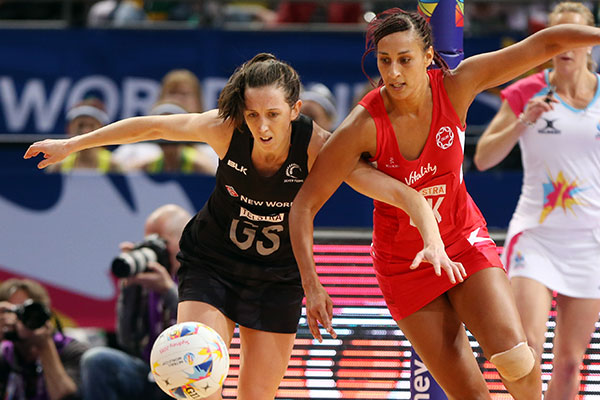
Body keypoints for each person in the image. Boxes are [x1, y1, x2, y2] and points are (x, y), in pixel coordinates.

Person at [24, 53, 462, 399]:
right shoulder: (225, 129)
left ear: (293, 110)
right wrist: (72, 144)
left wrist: (432, 238)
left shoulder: (318, 148)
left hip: (276, 279)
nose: (263, 127)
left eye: (273, 114)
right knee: (195, 379)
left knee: (256, 395)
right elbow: (153, 125)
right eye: (254, 116)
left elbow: (401, 193)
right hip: (212, 264)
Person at [289, 7, 600, 399]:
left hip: (463, 240)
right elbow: (303, 207)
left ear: (428, 55)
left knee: (518, 359)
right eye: (385, 61)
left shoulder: (457, 85)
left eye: (405, 60)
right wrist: (312, 285)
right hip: (405, 265)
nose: (395, 73)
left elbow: (546, 42)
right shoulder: (362, 126)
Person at [473, 3, 600, 399]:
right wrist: (522, 120)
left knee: (568, 365)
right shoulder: (528, 89)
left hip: (589, 242)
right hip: (536, 237)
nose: (565, 44)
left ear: (590, 44)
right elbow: (483, 157)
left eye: (574, 35)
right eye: (556, 35)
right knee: (525, 348)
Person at [80, 204, 191, 400]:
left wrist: (167, 291)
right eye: (148, 240)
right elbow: (127, 341)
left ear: (184, 240)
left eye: (161, 241)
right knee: (96, 360)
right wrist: (129, 288)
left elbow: (198, 329)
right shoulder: (147, 278)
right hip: (149, 371)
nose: (155, 248)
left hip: (186, 373)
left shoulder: (200, 276)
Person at [0, 278, 89, 400]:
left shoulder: (72, 350)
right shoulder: (5, 354)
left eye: (27, 310)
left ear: (44, 314)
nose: (19, 319)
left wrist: (44, 344)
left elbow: (66, 397)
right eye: (12, 311)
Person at [47, 98, 121, 173]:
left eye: (91, 126)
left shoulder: (113, 165)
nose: (85, 131)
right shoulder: (58, 167)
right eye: (80, 125)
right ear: (69, 129)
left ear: (102, 128)